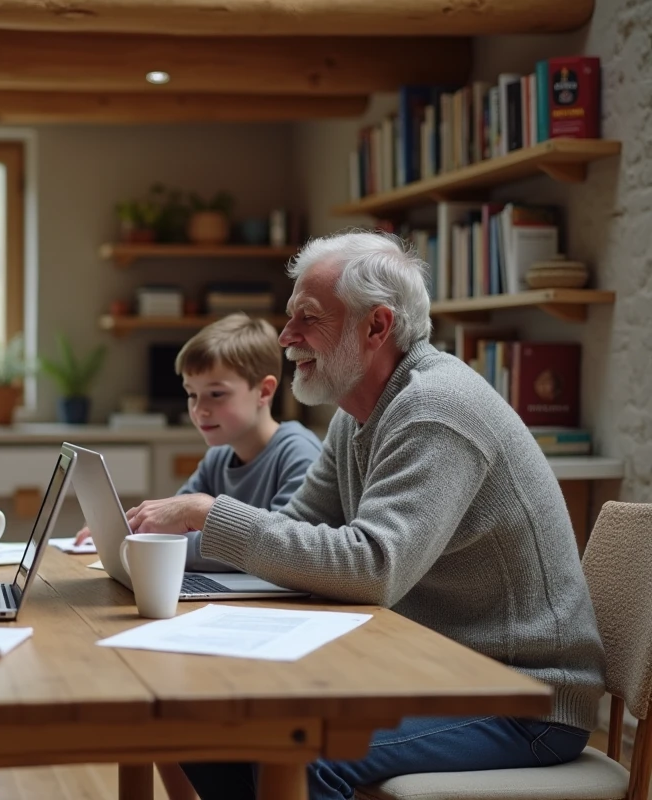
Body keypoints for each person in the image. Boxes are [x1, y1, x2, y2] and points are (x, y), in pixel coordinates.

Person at [122, 231, 606, 799]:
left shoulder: (434, 409)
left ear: (376, 326)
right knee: (202, 723)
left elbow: (373, 567)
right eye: (289, 317)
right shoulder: (357, 414)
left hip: (522, 698)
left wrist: (209, 513)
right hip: (432, 672)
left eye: (308, 318)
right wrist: (157, 542)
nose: (285, 337)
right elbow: (294, 531)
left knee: (305, 754)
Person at [76, 313, 322, 800]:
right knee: (157, 700)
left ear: (263, 390)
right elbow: (176, 523)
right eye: (191, 394)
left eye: (216, 393)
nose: (199, 409)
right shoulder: (218, 458)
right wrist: (130, 530)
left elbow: (269, 547)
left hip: (276, 628)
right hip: (229, 612)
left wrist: (154, 546)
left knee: (172, 697)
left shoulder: (298, 451)